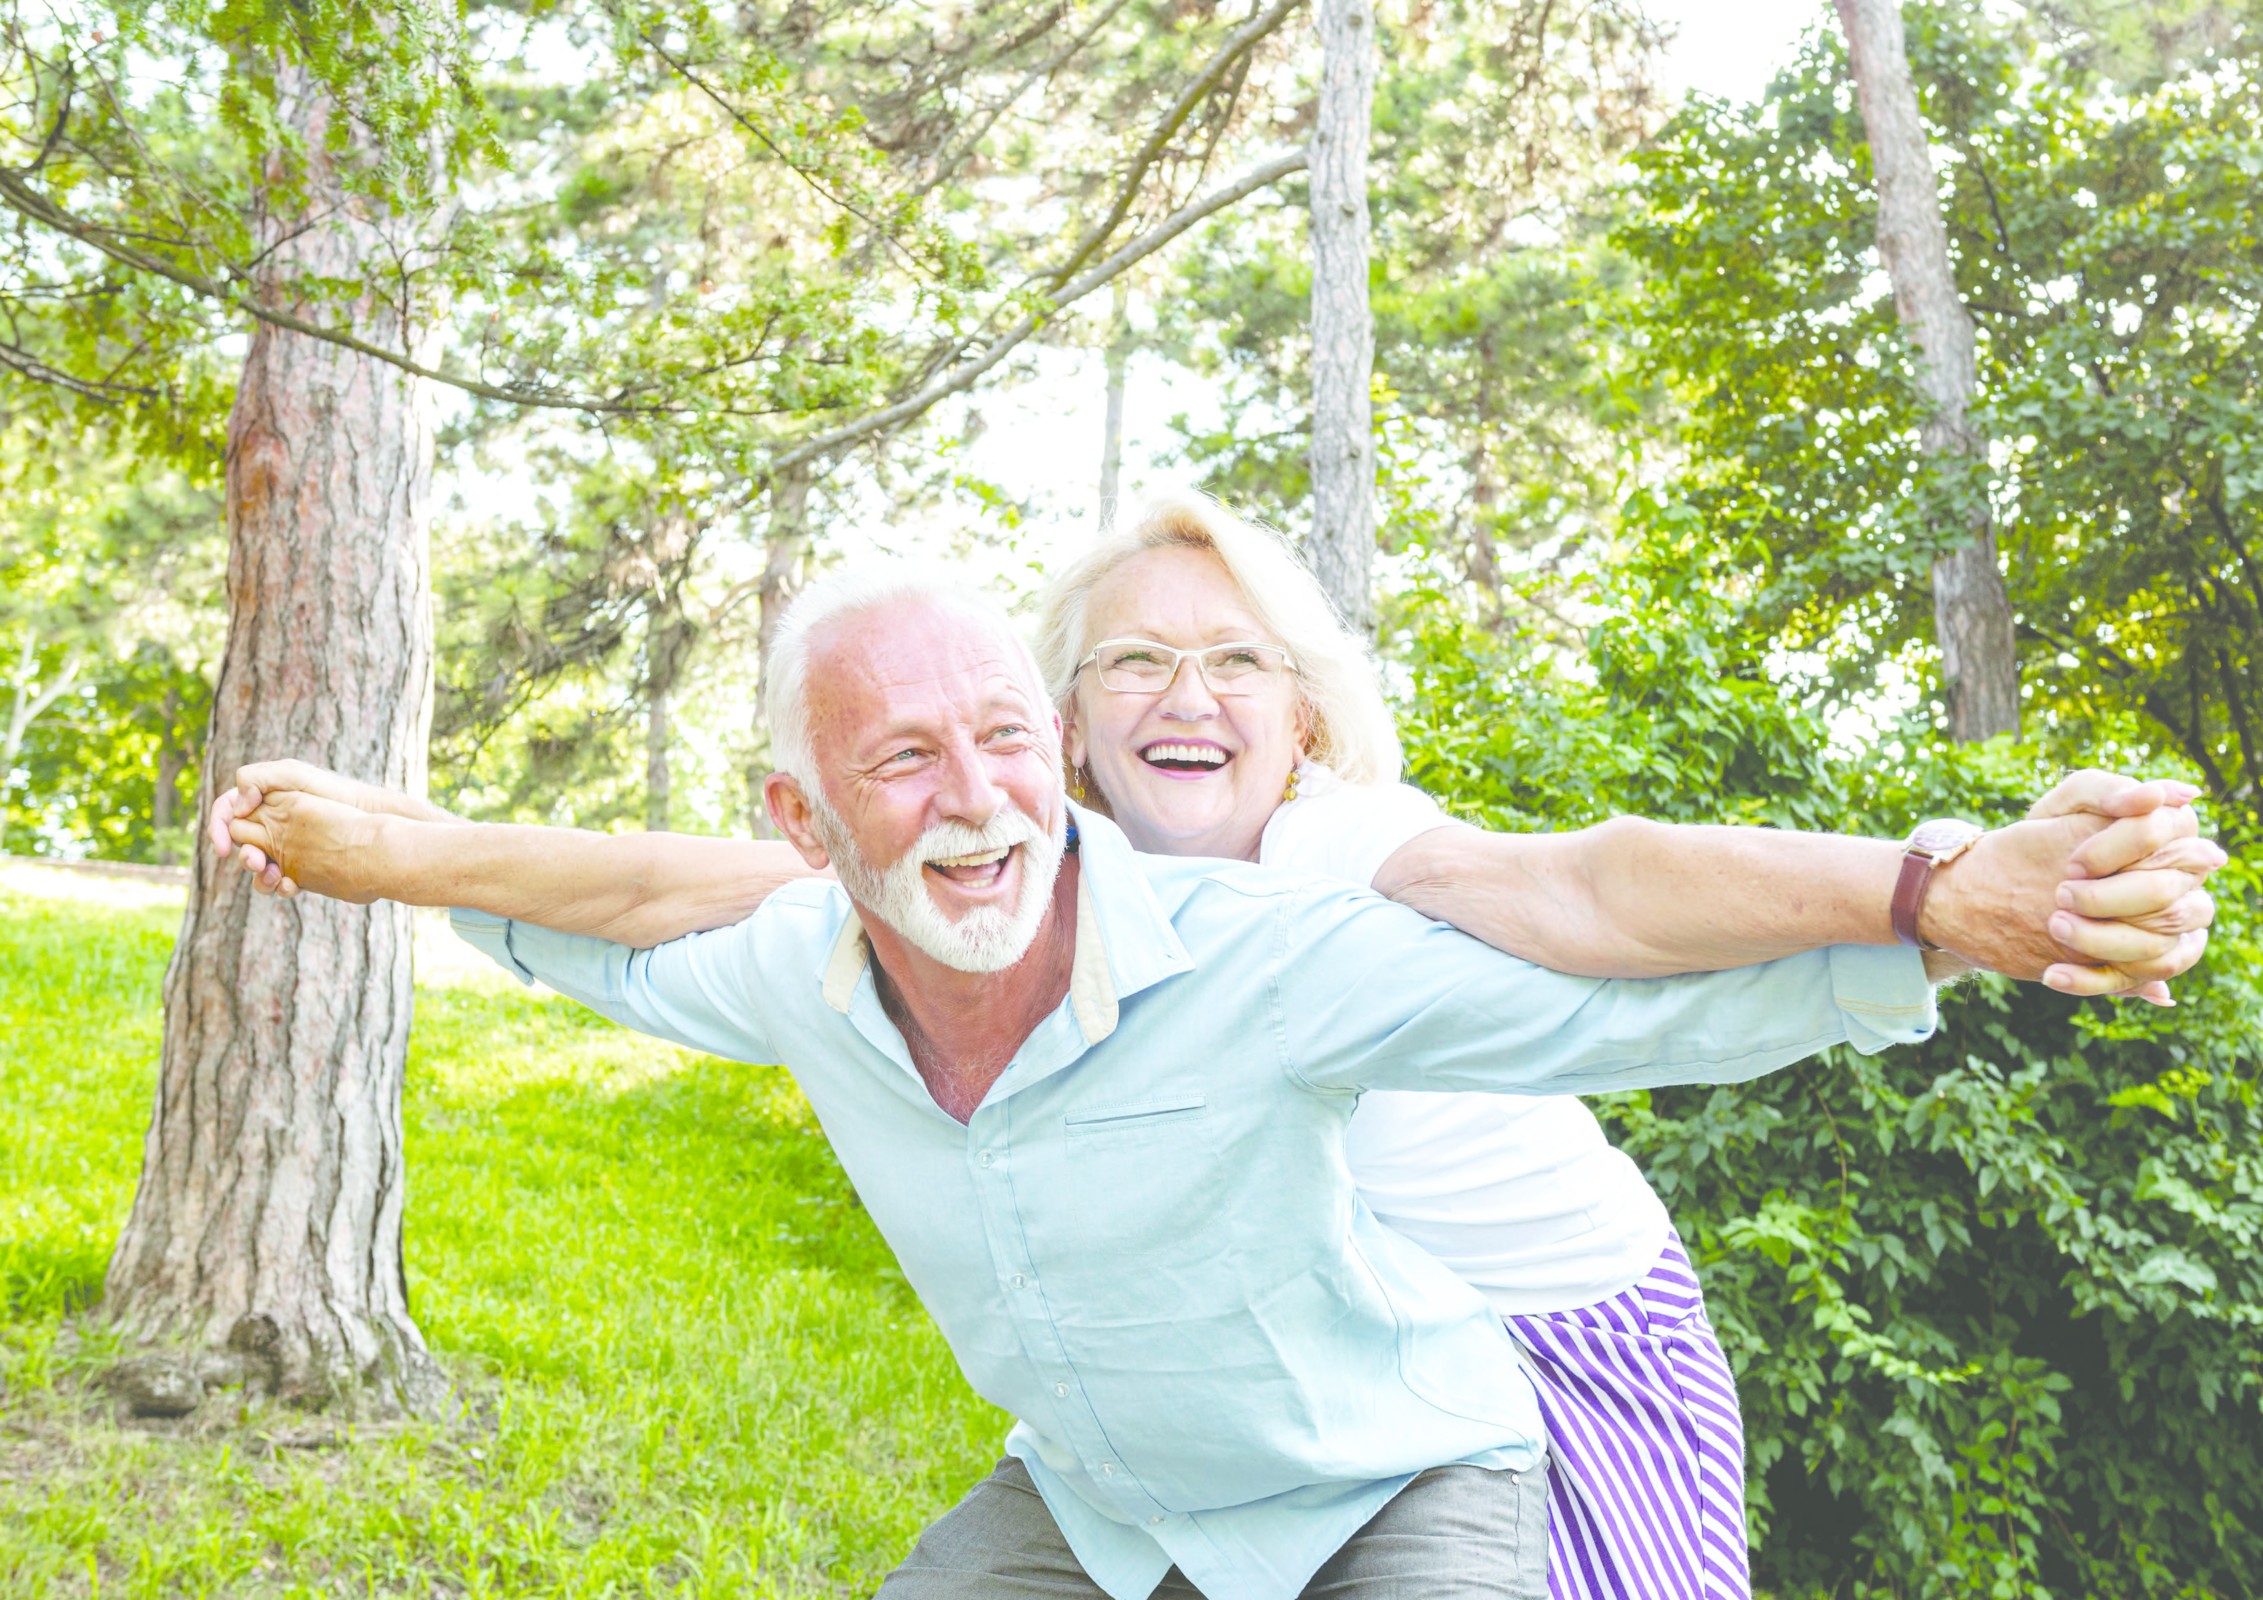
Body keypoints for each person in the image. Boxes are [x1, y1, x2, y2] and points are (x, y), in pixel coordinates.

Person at [213, 564, 2218, 1600]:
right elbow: (633, 908)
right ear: (803, 817)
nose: (977, 790)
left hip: (1398, 1470)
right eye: (902, 757)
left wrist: (1944, 894)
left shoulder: (1260, 960)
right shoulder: (797, 965)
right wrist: (380, 844)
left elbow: (1604, 951)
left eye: (1005, 730)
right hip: (1107, 1498)